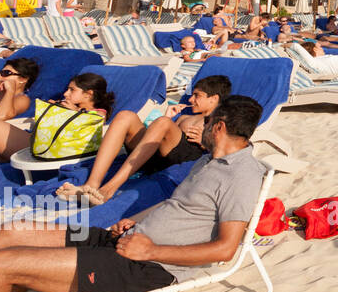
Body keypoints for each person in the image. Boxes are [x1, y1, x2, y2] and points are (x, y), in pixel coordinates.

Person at [0, 95, 267, 292]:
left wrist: (150, 252)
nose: (202, 127)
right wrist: (133, 219)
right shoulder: (209, 161)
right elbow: (178, 204)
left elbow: (225, 249)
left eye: (207, 122)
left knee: (2, 264)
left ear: (218, 127)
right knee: (8, 233)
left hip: (147, 266)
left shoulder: (240, 176)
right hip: (128, 241)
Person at [57, 75, 233, 205]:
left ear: (214, 99)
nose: (191, 99)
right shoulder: (185, 116)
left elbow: (231, 150)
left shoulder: (219, 121)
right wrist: (168, 118)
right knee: (126, 116)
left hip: (187, 158)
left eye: (197, 95)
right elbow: (161, 136)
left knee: (163, 123)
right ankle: (91, 185)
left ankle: (107, 190)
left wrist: (205, 142)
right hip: (158, 156)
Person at [0, 72, 113, 163]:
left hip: (42, 149)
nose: (65, 93)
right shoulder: (69, 105)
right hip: (37, 144)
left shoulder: (98, 114)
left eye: (71, 90)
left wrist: (74, 112)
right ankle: (1, 159)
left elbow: (94, 124)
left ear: (88, 94)